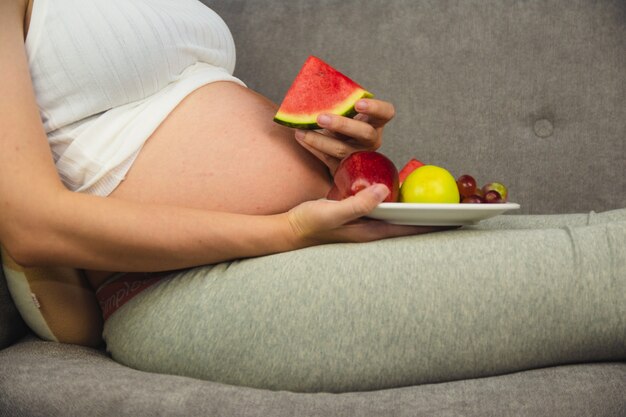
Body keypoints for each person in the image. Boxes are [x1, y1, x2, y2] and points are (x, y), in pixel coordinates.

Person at [1, 0, 624, 393]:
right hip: (189, 287)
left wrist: (336, 150)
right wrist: (288, 230)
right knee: (605, 269)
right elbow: (29, 224)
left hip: (320, 238)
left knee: (608, 232)